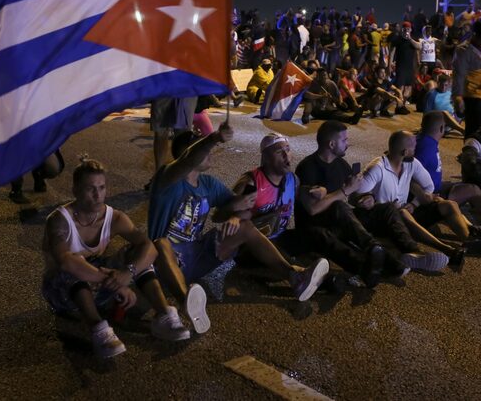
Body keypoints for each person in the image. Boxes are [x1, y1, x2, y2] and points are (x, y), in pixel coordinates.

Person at [148, 123, 329, 334]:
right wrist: (213, 138)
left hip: (196, 256)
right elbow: (189, 159)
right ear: (187, 153)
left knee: (244, 226)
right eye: (201, 147)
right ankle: (186, 301)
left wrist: (235, 214)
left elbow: (235, 205)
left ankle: (293, 277)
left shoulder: (208, 183)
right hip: (164, 262)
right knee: (159, 244)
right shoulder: (166, 179)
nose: (210, 152)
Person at [42, 158, 190, 359]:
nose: (97, 195)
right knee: (72, 266)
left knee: (136, 251)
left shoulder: (114, 217)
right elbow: (65, 261)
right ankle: (98, 329)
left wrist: (126, 274)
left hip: (101, 285)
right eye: (90, 189)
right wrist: (114, 282)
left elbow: (150, 248)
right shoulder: (60, 220)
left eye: (101, 188)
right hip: (63, 294)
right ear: (75, 190)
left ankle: (164, 315)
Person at [295, 121, 407, 287]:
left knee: (385, 209)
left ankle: (396, 253)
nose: (348, 144)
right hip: (316, 226)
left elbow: (353, 196)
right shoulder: (308, 167)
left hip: (339, 220)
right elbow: (312, 209)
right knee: (339, 207)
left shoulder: (342, 165)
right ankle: (375, 253)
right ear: (331, 144)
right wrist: (345, 191)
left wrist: (365, 199)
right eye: (344, 140)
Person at [358, 131, 481, 256]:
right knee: (403, 213)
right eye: (413, 146)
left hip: (406, 214)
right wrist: (369, 198)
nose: (416, 148)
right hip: (387, 221)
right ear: (404, 152)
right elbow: (356, 194)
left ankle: (468, 241)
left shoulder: (411, 163)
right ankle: (445, 247)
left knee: (448, 204)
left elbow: (429, 186)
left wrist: (414, 204)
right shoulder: (377, 168)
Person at [390, 22, 418, 105]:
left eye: (408, 29)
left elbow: (419, 47)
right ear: (402, 29)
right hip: (401, 67)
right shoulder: (397, 39)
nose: (406, 31)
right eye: (405, 29)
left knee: (408, 89)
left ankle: (403, 104)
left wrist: (409, 39)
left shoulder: (413, 39)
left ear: (411, 30)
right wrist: (389, 65)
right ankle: (398, 105)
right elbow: (391, 53)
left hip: (410, 68)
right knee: (400, 87)